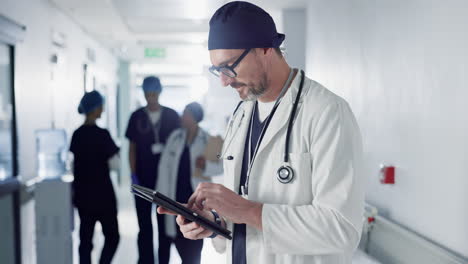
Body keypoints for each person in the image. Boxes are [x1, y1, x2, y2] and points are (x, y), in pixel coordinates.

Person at [158, 2, 365, 264]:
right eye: (217, 70)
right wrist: (215, 224)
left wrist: (248, 211)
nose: (223, 80)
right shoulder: (242, 113)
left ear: (265, 49)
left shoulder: (327, 113)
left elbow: (342, 229)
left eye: (229, 66)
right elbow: (243, 209)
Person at [156, 102, 223, 264]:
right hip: (171, 197)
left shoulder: (208, 140)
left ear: (194, 117)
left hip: (193, 200)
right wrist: (159, 196)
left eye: (185, 113)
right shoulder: (175, 137)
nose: (182, 116)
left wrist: (206, 166)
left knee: (192, 248)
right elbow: (163, 167)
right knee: (165, 244)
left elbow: (220, 167)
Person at [125, 76, 180, 263]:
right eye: (148, 95)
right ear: (144, 95)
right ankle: (145, 260)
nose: (151, 98)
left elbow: (181, 146)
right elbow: (131, 148)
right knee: (144, 225)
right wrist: (133, 174)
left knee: (164, 222)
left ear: (159, 93)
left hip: (165, 181)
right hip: (142, 179)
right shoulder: (136, 116)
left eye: (154, 94)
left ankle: (163, 260)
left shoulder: (172, 116)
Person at [70, 91, 120, 264]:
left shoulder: (77, 135)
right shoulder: (102, 135)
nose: (103, 110)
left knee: (85, 240)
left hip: (83, 196)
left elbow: (73, 166)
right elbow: (116, 165)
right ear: (95, 109)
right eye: (101, 106)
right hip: (103, 196)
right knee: (112, 236)